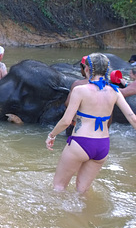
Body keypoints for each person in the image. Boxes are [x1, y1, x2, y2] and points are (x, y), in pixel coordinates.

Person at [45, 53, 136, 194]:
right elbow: (133, 119)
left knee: (58, 187)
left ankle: (61, 215)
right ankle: (84, 215)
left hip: (81, 142)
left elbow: (66, 121)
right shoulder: (115, 91)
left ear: (87, 69)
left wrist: (51, 135)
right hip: (103, 146)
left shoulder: (79, 90)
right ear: (107, 70)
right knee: (82, 191)